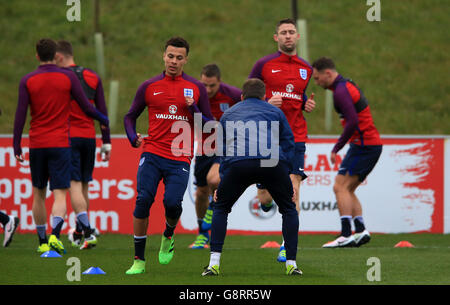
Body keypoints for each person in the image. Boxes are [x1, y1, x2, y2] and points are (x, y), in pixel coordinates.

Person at [123, 37, 213, 274]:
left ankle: (168, 234)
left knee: (172, 204)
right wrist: (133, 137)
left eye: (179, 57)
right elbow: (129, 117)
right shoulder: (149, 86)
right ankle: (139, 260)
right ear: (164, 56)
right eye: (170, 56)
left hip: (180, 156)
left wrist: (193, 107)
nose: (174, 61)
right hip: (152, 153)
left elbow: (209, 125)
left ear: (186, 59)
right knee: (143, 200)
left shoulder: (196, 88)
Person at [13, 38, 109, 254]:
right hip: (61, 143)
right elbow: (86, 106)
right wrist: (103, 118)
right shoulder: (66, 77)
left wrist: (16, 145)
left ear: (37, 56)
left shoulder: (27, 80)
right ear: (55, 55)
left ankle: (42, 242)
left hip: (37, 143)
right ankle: (56, 234)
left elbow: (20, 115)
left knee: (38, 193)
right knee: (59, 193)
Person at [202, 78, 302, 276]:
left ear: (241, 96)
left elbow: (223, 149)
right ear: (265, 96)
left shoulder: (229, 113)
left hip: (240, 163)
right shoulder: (275, 111)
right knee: (289, 209)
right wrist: (288, 174)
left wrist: (223, 180)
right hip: (272, 163)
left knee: (221, 207)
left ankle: (214, 264)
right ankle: (291, 264)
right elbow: (290, 144)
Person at [248, 18, 316, 262]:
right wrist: (265, 104)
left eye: (291, 32)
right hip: (267, 137)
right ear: (276, 38)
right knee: (265, 197)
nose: (288, 36)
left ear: (298, 37)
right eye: (283, 33)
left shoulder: (306, 68)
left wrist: (306, 103)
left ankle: (287, 246)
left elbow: (300, 95)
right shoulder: (263, 65)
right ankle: (266, 202)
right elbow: (247, 97)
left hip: (295, 136)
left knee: (293, 189)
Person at [311, 57, 382, 248]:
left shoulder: (341, 91)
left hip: (364, 145)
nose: (317, 83)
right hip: (368, 144)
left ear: (328, 73)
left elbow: (352, 122)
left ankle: (345, 234)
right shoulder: (346, 85)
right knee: (348, 189)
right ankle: (360, 230)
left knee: (339, 187)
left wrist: (336, 148)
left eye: (317, 79)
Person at [55, 40, 111, 250]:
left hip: (68, 138)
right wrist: (107, 142)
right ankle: (80, 231)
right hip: (89, 138)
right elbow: (102, 111)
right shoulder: (92, 76)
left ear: (59, 57)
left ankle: (87, 232)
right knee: (84, 185)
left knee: (74, 186)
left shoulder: (60, 77)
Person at [190, 63, 241, 249]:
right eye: (204, 85)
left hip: (226, 148)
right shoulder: (194, 94)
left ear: (220, 81)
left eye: (212, 85)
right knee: (201, 192)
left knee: (214, 180)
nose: (208, 89)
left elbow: (252, 105)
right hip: (204, 149)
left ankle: (212, 210)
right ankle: (202, 233)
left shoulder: (233, 95)